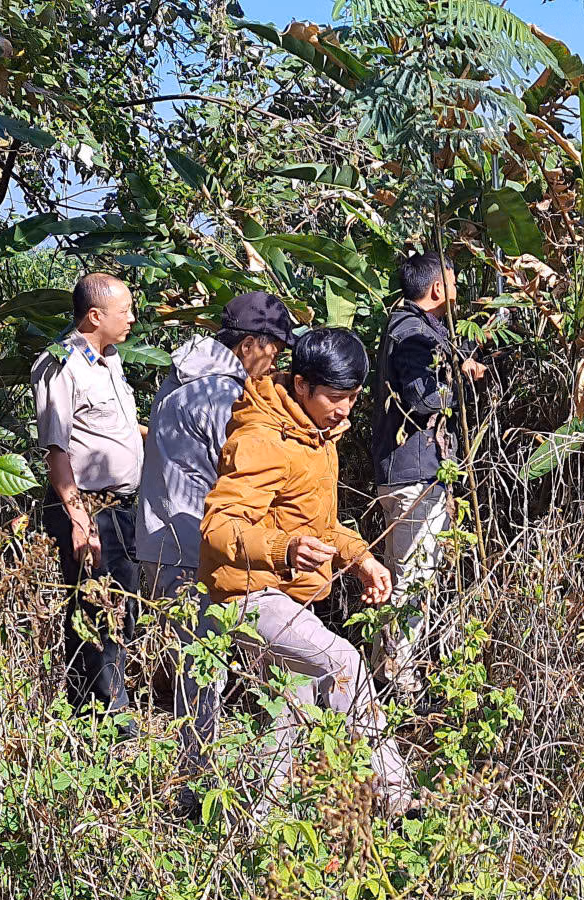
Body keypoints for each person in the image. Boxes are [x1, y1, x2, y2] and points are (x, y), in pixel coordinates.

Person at [189, 327, 415, 818]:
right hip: (248, 594)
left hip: (286, 594)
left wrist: (361, 558)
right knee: (344, 664)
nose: (345, 410)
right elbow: (218, 527)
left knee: (287, 717)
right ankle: (398, 799)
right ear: (300, 385)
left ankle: (257, 829)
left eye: (353, 397)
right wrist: (283, 548)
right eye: (335, 397)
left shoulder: (316, 436)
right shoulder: (263, 438)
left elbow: (320, 525)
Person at [31, 272, 144, 739]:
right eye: (125, 311)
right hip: (90, 509)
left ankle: (101, 708)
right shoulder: (60, 364)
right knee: (97, 610)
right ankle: (104, 719)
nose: (133, 318)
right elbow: (57, 451)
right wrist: (80, 520)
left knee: (123, 607)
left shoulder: (110, 359)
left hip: (122, 507)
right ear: (95, 316)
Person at [370, 251, 486, 699]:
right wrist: (461, 382)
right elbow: (424, 398)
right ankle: (399, 683)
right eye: (453, 281)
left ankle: (389, 673)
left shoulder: (411, 326)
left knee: (407, 574)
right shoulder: (413, 334)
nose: (457, 289)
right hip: (414, 475)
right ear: (437, 288)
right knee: (413, 579)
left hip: (410, 472)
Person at [136, 291, 298, 601]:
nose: (274, 364)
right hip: (195, 545)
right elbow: (245, 470)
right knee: (203, 631)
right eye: (274, 352)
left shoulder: (182, 377)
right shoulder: (223, 395)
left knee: (174, 630)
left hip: (161, 538)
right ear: (248, 345)